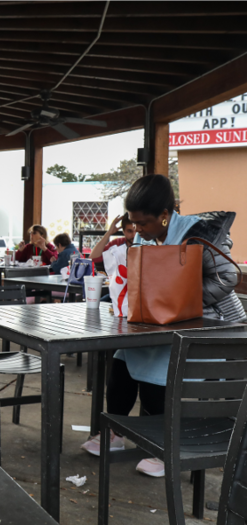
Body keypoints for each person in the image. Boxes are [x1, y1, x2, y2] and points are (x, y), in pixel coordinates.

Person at [80, 174, 246, 477]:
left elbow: (227, 279)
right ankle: (115, 434)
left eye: (143, 223)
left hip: (213, 325)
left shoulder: (200, 235)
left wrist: (181, 302)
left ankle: (164, 445)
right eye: (134, 223)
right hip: (165, 322)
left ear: (165, 216)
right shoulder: (148, 236)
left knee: (158, 363)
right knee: (121, 359)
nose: (137, 230)